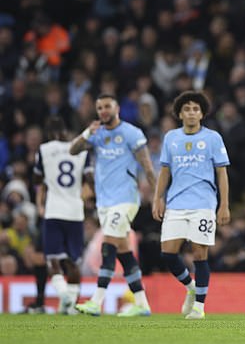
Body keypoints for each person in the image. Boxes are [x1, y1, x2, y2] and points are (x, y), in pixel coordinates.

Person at [70, 93, 157, 317]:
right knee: (124, 252)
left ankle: (96, 301)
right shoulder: (96, 135)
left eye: (107, 106)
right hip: (104, 203)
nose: (103, 111)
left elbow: (147, 167)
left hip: (126, 200)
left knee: (108, 244)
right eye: (99, 108)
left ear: (116, 107)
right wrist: (88, 132)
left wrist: (158, 197)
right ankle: (142, 304)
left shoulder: (131, 133)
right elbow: (73, 149)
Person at [152, 91, 230, 320]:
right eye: (187, 109)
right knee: (167, 254)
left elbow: (222, 173)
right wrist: (158, 198)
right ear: (179, 113)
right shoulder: (171, 138)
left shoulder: (213, 138)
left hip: (204, 203)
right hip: (176, 202)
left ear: (202, 113)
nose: (191, 113)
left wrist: (224, 205)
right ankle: (191, 287)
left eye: (196, 109)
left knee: (199, 254)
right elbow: (164, 171)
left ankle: (199, 307)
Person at [33, 116, 91, 314]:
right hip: (75, 211)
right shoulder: (81, 152)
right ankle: (70, 305)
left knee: (53, 259)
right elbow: (89, 181)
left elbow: (38, 178)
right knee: (74, 261)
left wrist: (40, 201)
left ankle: (64, 294)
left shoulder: (44, 150)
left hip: (54, 210)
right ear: (65, 131)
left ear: (49, 133)